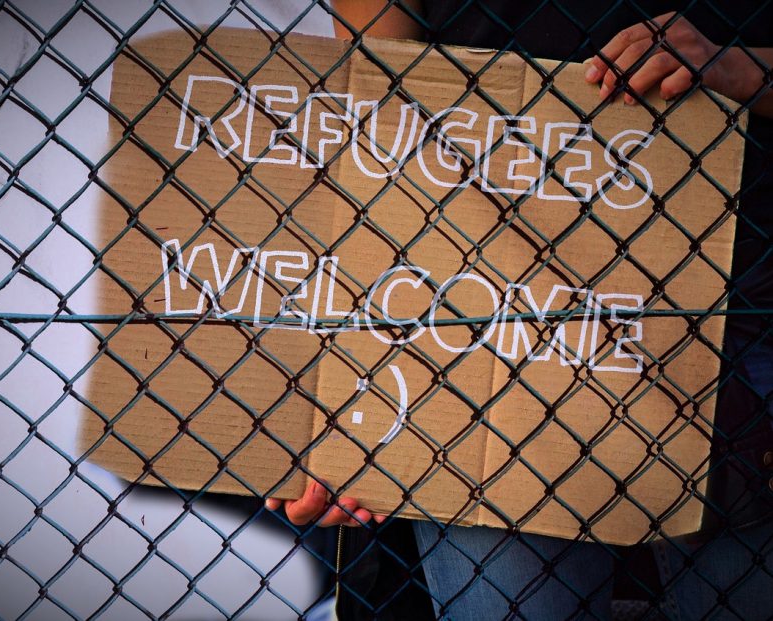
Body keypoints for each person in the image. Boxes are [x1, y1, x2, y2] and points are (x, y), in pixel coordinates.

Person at [267, 1, 773, 618]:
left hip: (738, 314)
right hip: (483, 341)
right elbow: (377, 113)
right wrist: (338, 400)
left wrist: (741, 69)